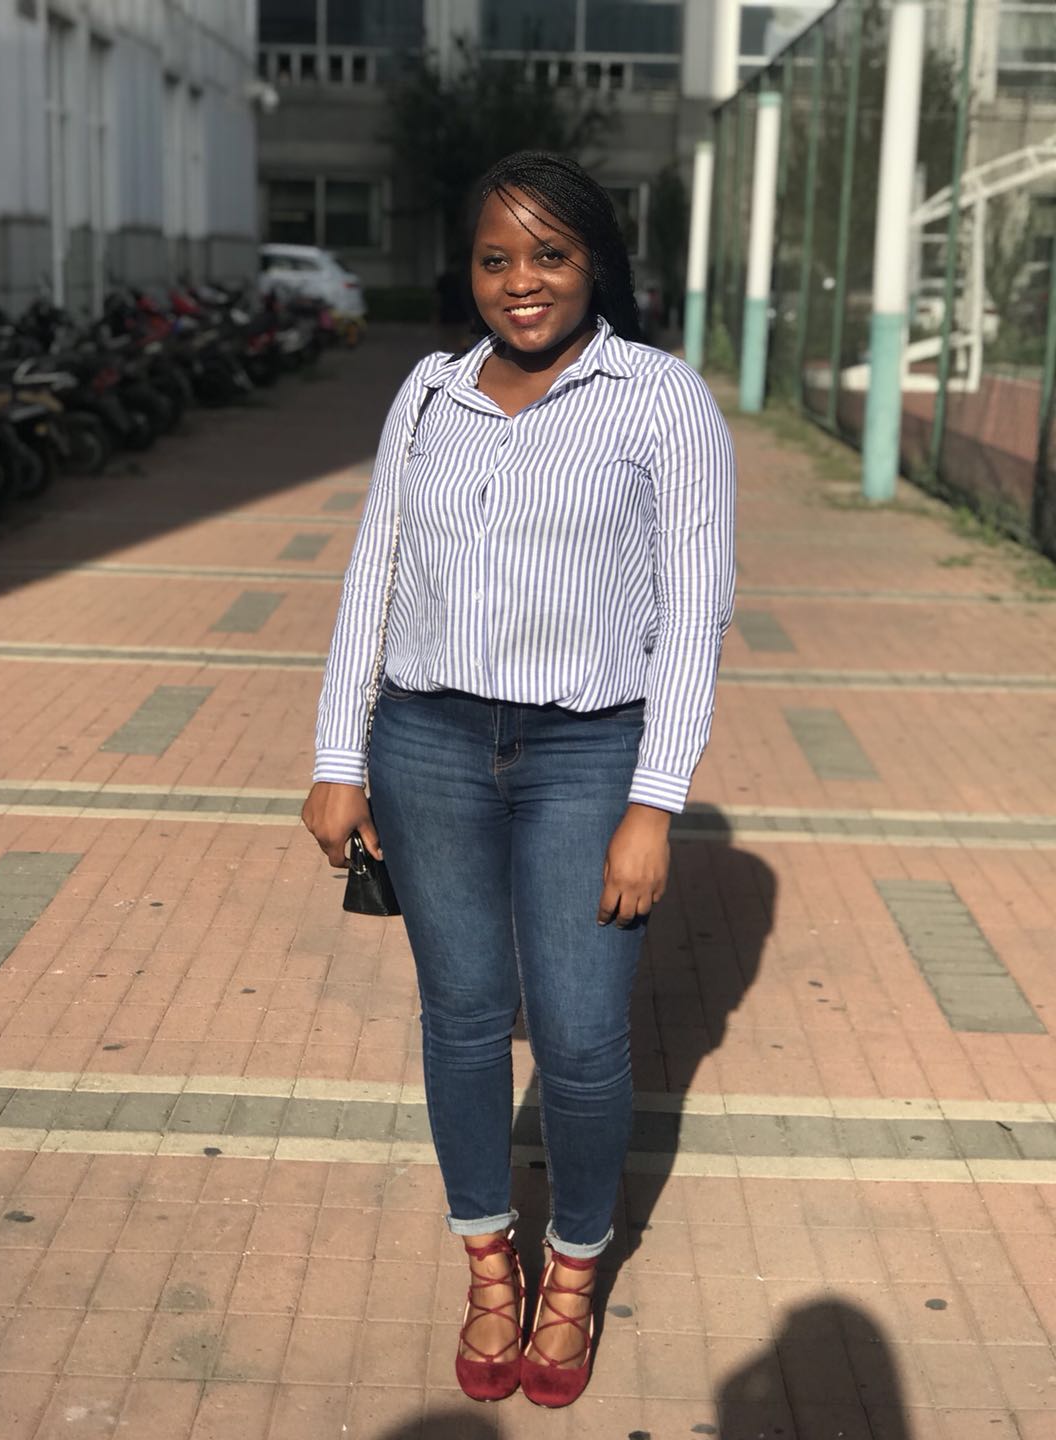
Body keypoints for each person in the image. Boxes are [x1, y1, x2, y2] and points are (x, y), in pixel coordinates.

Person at [302, 150, 735, 1408]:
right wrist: (338, 758)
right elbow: (375, 574)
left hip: (589, 751)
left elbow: (695, 612)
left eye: (549, 254)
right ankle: (490, 1264)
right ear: (472, 271)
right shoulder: (429, 395)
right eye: (497, 258)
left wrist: (654, 801)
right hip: (428, 743)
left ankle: (576, 1267)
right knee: (463, 1017)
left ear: (595, 261)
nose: (522, 281)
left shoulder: (660, 399)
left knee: (585, 1039)